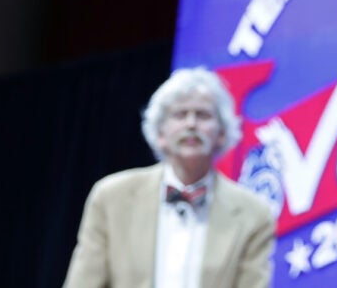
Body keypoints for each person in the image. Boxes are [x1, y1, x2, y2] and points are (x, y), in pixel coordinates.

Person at [63, 66, 275, 287]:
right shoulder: (111, 197)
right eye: (180, 114)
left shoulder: (254, 213)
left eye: (203, 115)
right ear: (160, 133)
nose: (191, 124)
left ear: (222, 134)